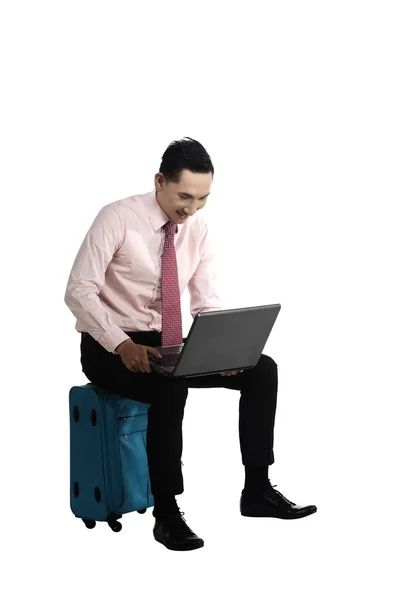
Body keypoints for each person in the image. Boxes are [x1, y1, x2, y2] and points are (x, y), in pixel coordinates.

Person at [64, 136, 317, 551]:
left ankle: (257, 489)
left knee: (262, 369)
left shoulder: (197, 230)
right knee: (168, 387)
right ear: (159, 181)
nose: (192, 208)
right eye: (184, 196)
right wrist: (120, 344)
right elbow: (79, 291)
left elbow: (205, 300)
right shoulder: (116, 218)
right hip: (108, 345)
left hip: (170, 344)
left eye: (202, 198)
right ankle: (167, 512)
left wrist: (224, 349)